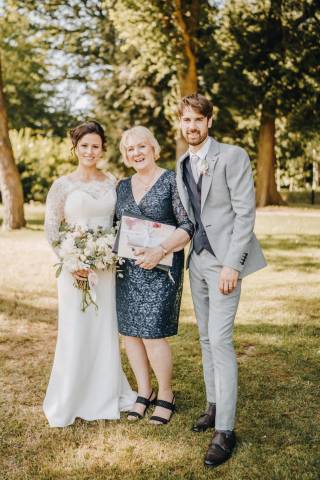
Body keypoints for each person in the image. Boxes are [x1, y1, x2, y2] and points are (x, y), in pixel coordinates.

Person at [175, 93, 266, 467]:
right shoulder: (181, 162)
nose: (192, 127)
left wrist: (233, 264)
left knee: (223, 341)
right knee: (206, 338)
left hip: (225, 263)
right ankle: (213, 405)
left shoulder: (232, 156)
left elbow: (246, 214)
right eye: (186, 120)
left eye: (199, 120)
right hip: (196, 262)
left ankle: (225, 429)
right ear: (180, 123)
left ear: (209, 122)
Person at [43, 120, 136, 427]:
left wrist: (107, 254)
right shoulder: (62, 185)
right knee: (76, 330)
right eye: (84, 145)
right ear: (75, 148)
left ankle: (105, 390)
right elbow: (52, 230)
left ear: (102, 149)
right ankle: (72, 395)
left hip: (106, 268)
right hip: (74, 272)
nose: (90, 151)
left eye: (95, 146)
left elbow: (121, 222)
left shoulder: (113, 182)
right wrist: (71, 262)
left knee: (104, 327)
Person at [115, 126, 194, 425]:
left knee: (152, 334)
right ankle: (143, 392)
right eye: (130, 149)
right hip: (128, 271)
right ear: (125, 155)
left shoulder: (171, 180)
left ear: (153, 148)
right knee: (131, 334)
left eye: (141, 147)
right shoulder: (122, 186)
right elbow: (115, 226)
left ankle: (166, 394)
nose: (136, 153)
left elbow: (187, 226)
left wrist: (159, 251)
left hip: (161, 269)